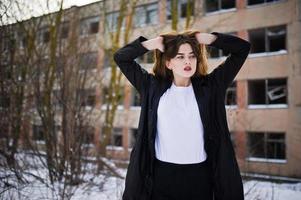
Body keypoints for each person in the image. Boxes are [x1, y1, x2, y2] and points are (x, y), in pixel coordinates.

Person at [114, 30, 251, 200]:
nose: (188, 61)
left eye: (192, 56)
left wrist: (211, 39)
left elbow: (242, 49)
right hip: (160, 177)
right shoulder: (151, 87)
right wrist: (153, 44)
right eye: (180, 56)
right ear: (168, 63)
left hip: (199, 178)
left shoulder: (211, 87)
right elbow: (121, 58)